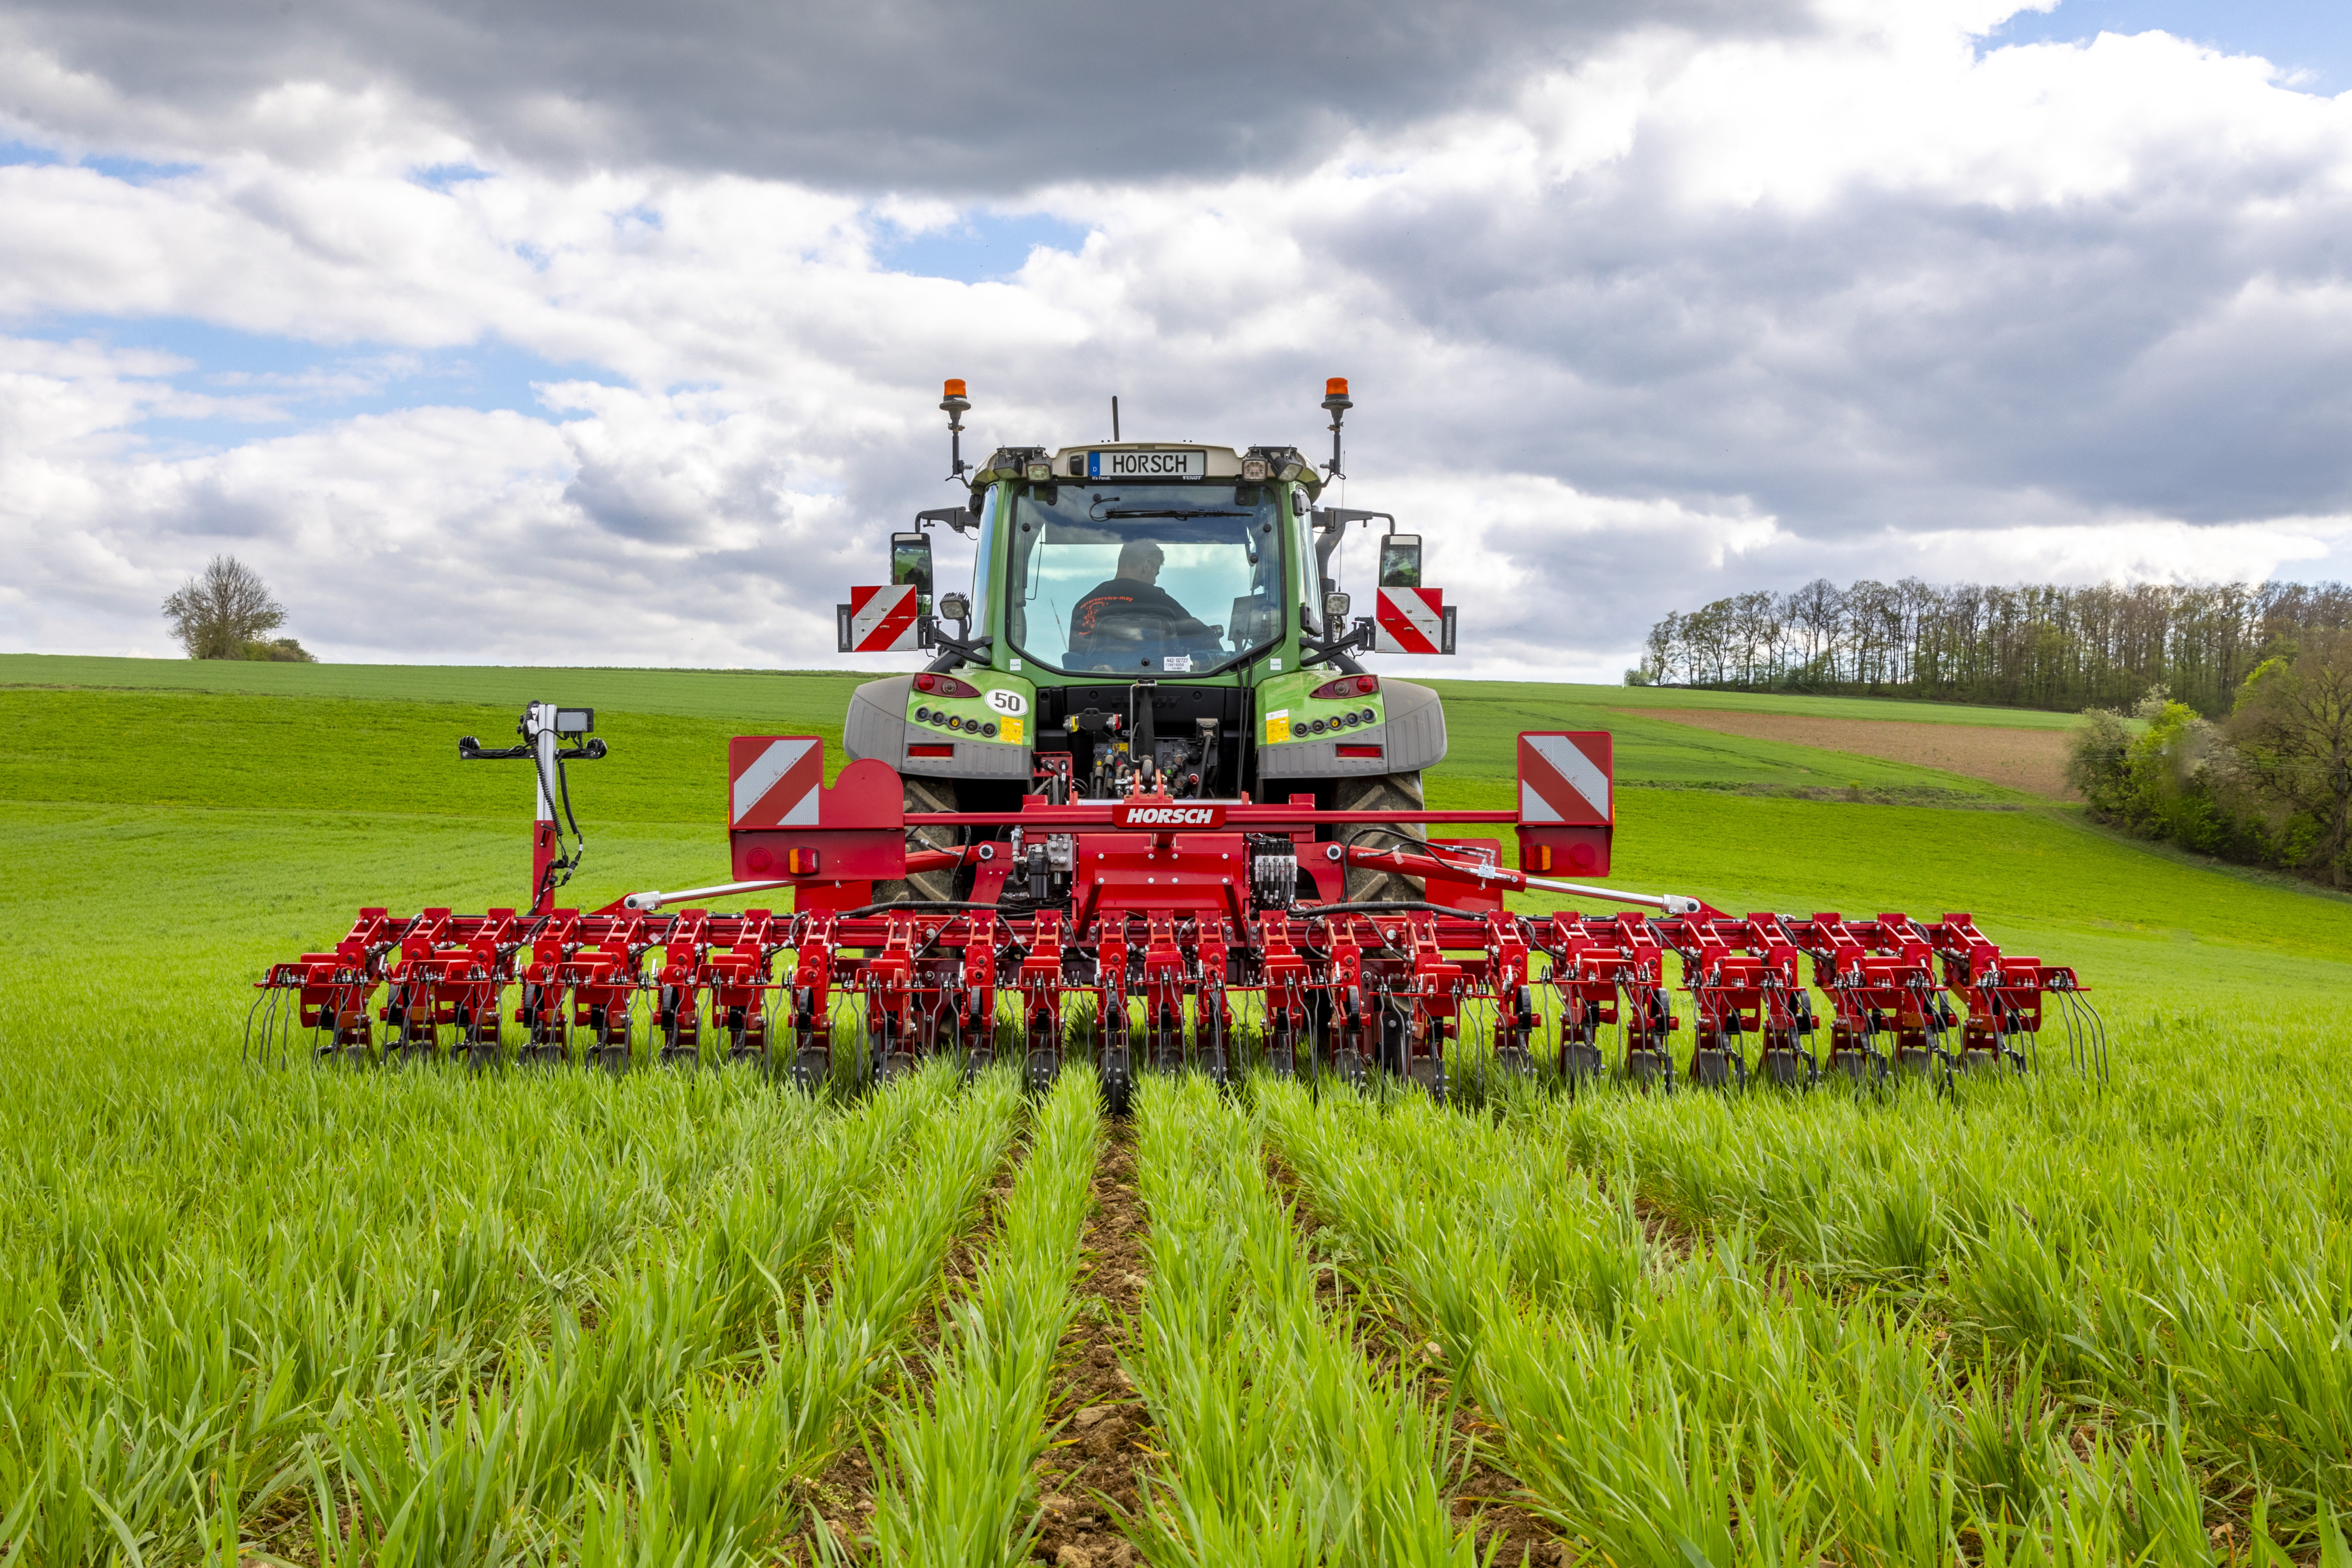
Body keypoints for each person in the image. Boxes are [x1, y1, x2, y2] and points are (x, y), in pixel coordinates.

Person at [1069, 539, 1217, 653]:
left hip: (1095, 688)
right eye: (1156, 572)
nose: (1154, 581)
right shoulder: (1157, 598)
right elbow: (1201, 636)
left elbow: (1075, 657)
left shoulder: (1082, 604)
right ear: (1147, 565)